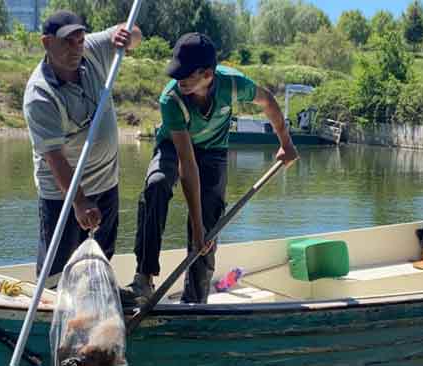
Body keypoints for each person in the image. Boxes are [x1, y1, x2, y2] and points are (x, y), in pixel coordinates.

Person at [122, 33, 299, 305]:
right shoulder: (172, 98)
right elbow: (186, 163)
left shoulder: (232, 84)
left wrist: (285, 143)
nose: (178, 80)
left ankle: (194, 301)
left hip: (214, 151)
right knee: (156, 184)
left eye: (186, 75)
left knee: (209, 225)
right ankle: (143, 279)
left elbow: (268, 103)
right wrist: (195, 224)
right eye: (176, 73)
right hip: (175, 146)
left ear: (207, 74)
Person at [23, 10, 142, 285]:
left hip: (106, 182)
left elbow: (134, 32)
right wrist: (78, 201)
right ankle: (49, 313)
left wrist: (129, 38)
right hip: (63, 194)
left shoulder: (92, 50)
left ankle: (92, 313)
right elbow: (55, 158)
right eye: (67, 42)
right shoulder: (40, 94)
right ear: (47, 43)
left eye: (80, 39)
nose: (76, 48)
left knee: (99, 260)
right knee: (57, 269)